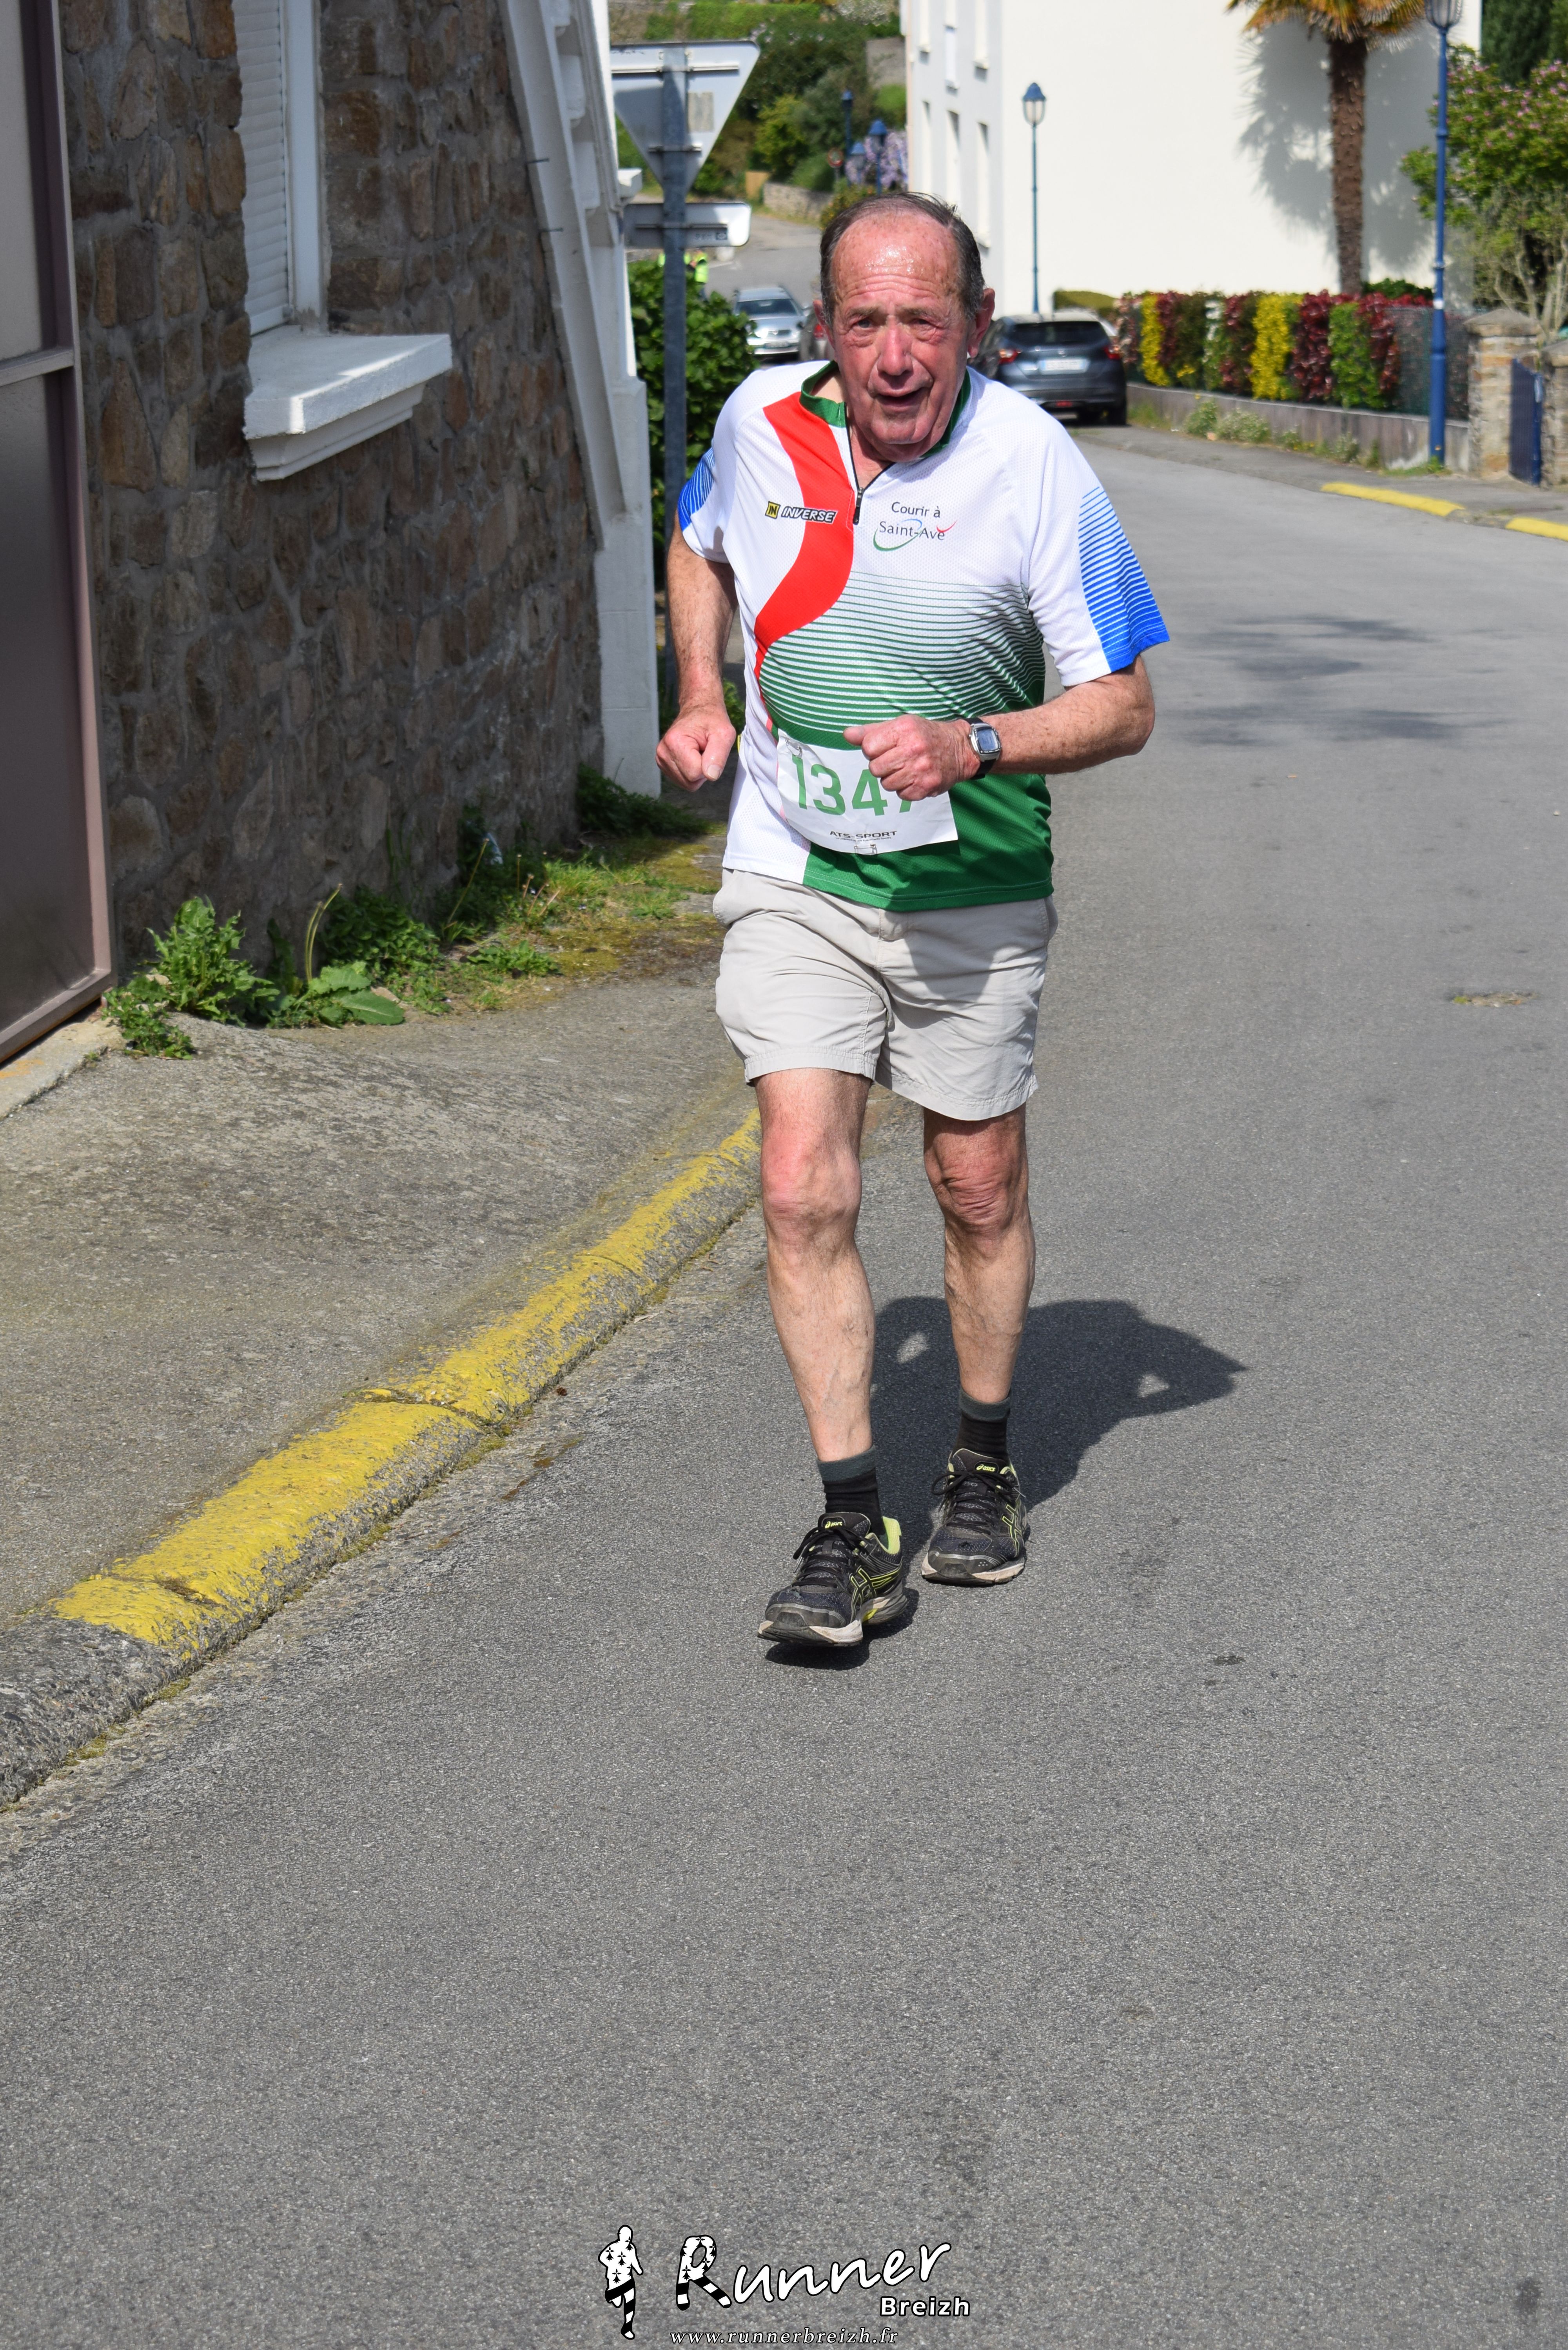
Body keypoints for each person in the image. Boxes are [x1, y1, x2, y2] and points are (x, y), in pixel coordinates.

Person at [656, 191, 1166, 1647]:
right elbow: (696, 538)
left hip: (971, 883)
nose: (893, 355)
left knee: (975, 1182)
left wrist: (975, 743)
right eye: (866, 321)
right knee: (800, 1178)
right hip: (797, 867)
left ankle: (983, 1460)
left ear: (975, 329)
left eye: (923, 322)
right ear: (826, 326)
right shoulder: (759, 423)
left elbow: (1127, 702)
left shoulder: (1034, 462)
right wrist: (701, 691)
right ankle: (849, 1524)